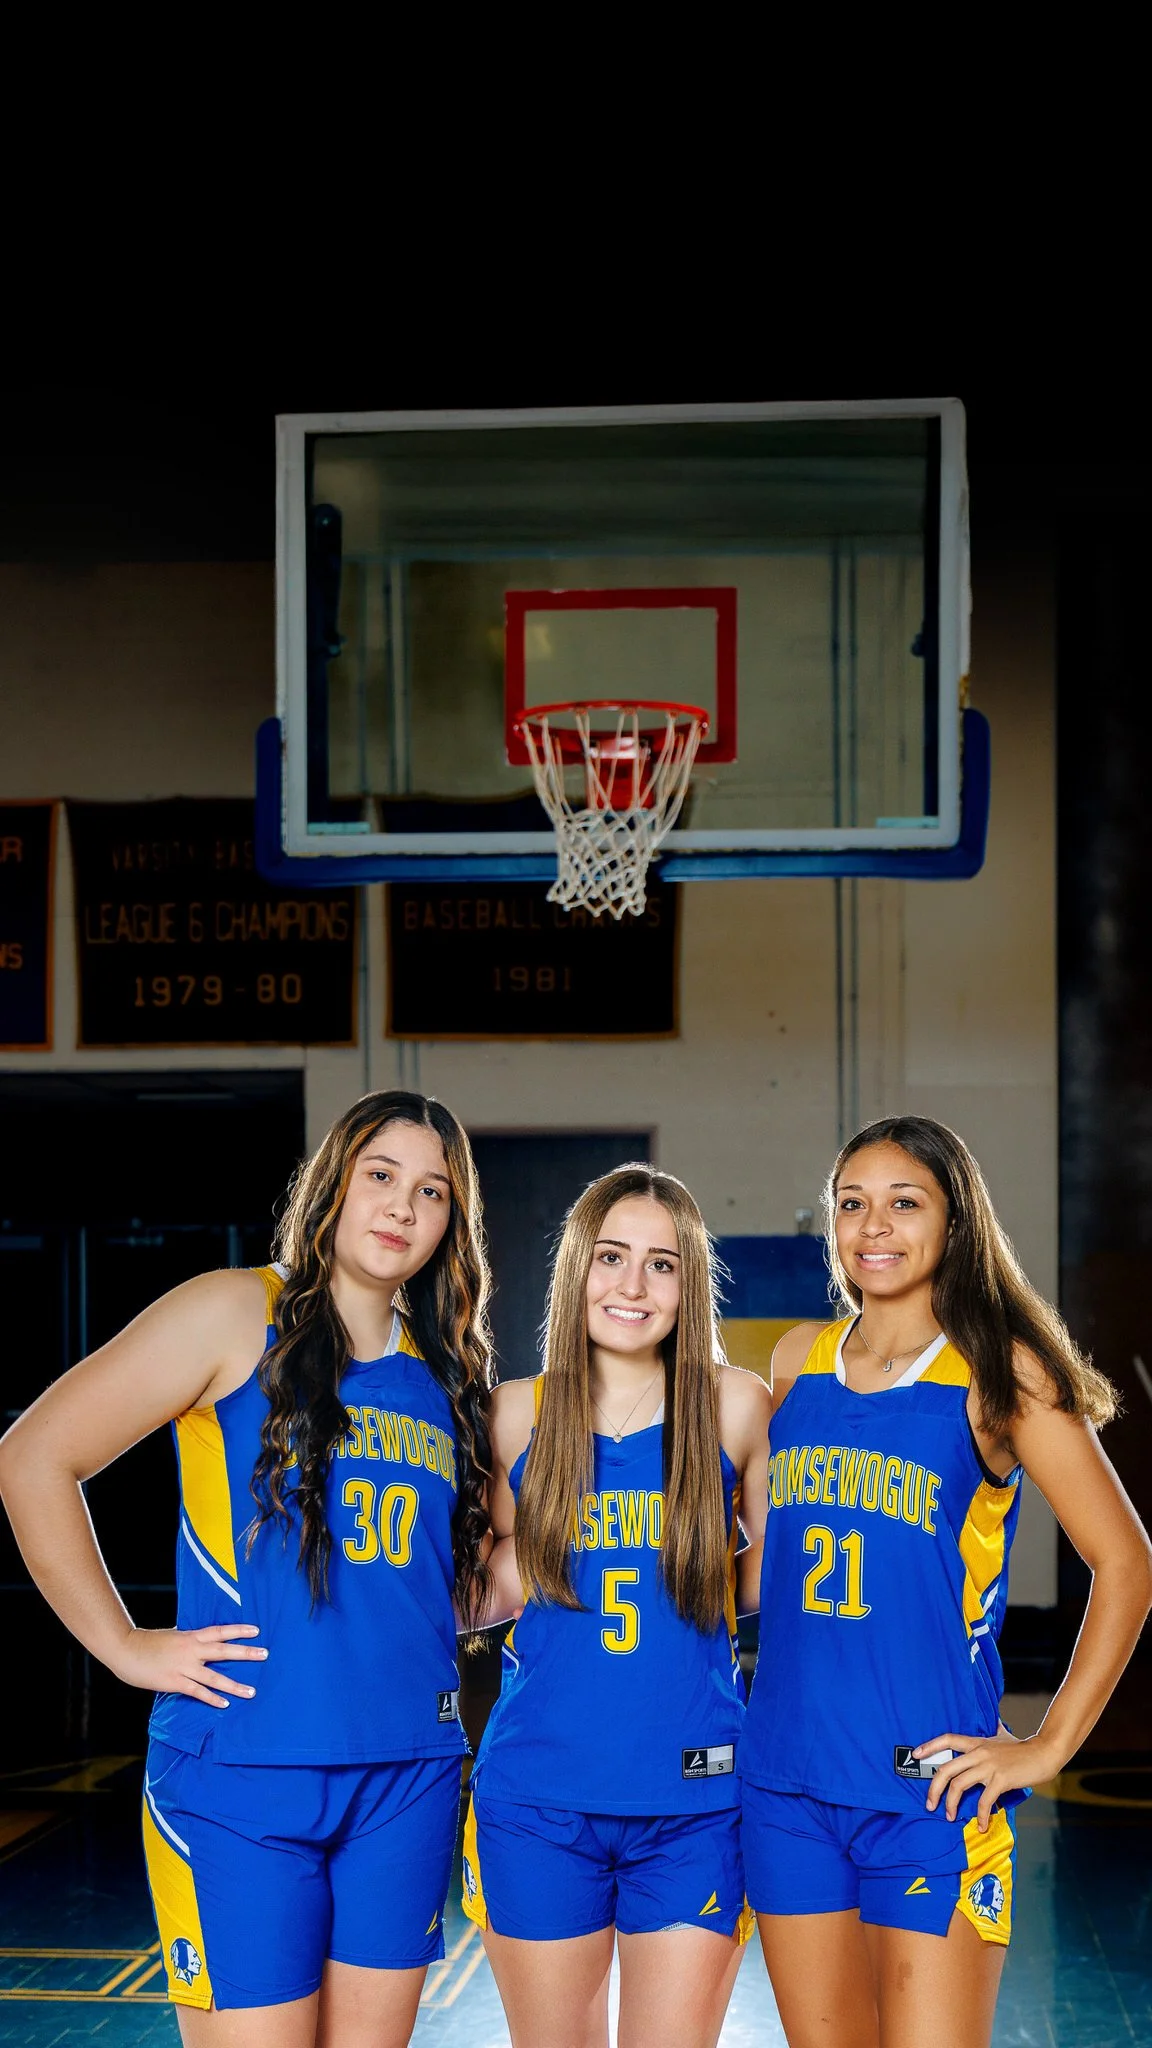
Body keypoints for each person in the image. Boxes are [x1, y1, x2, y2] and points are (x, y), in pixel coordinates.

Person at [0, 1088, 502, 2048]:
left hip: (405, 1777)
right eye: (381, 1177)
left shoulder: (446, 1374)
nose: (402, 1206)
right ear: (333, 1186)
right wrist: (121, 1644)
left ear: (453, 1223)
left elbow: (452, 1581)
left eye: (432, 1192)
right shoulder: (236, 1311)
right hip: (242, 1776)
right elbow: (33, 1458)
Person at [738, 1114, 1152, 2048]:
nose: (873, 1226)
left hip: (930, 1797)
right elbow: (768, 1563)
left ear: (955, 1224)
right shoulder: (796, 1360)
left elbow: (1127, 1563)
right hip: (789, 1787)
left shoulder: (1003, 1373)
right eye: (852, 1205)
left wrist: (1046, 1747)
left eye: (903, 1203)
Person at [462, 1163, 772, 2048]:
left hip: (694, 1801)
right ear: (576, 1271)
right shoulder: (515, 1415)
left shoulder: (737, 1406)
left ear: (689, 1285)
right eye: (611, 1257)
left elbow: (773, 1591)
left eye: (662, 1264)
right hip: (539, 1798)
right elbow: (485, 1590)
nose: (633, 1285)